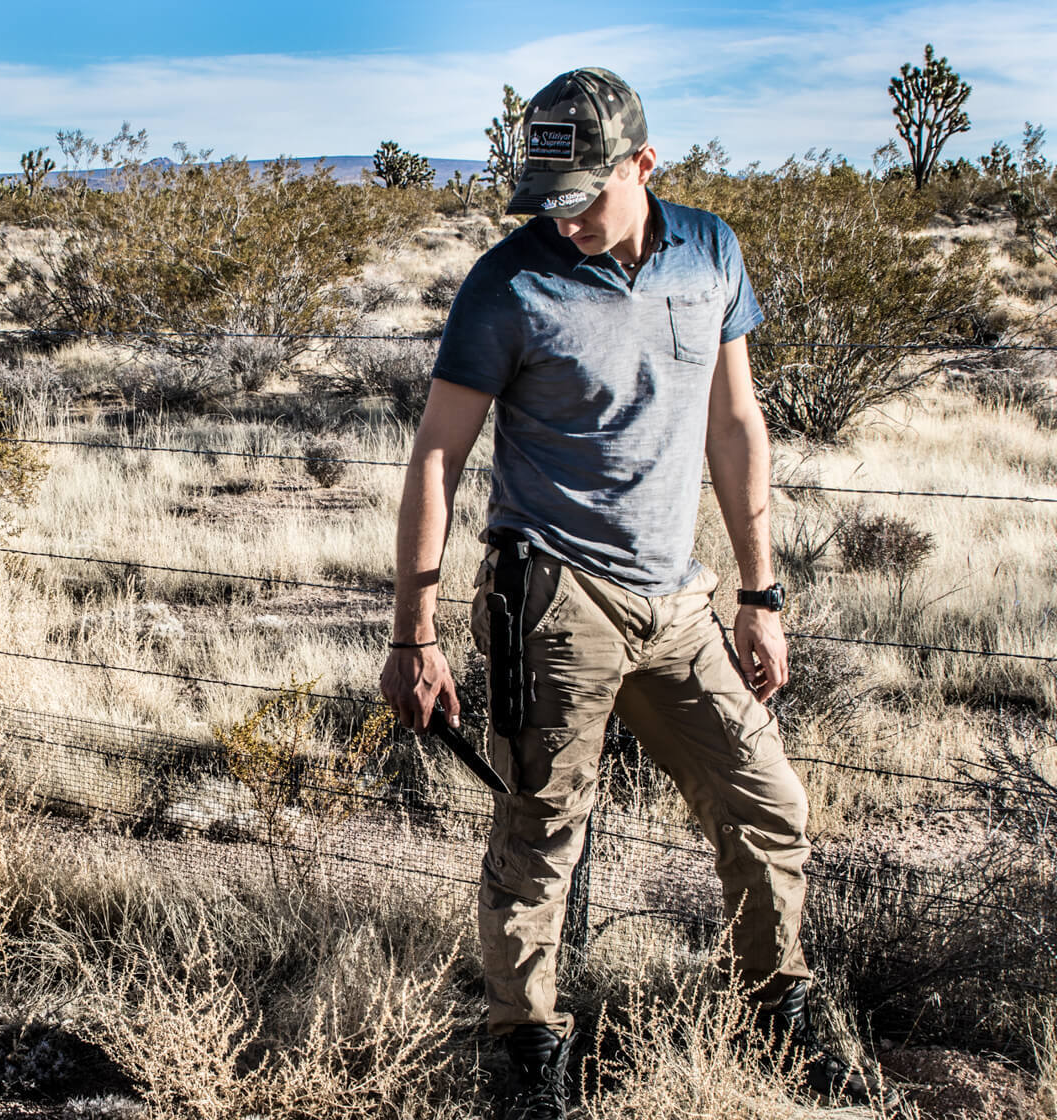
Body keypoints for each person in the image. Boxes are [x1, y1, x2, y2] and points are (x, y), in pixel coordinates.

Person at [379, 68, 896, 1120]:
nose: (561, 219)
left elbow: (735, 426)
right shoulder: (507, 284)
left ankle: (778, 1013)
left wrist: (760, 593)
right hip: (554, 594)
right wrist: (413, 633)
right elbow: (437, 454)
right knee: (541, 830)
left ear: (643, 165)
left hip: (680, 600)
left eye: (580, 196)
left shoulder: (710, 252)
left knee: (768, 804)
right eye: (544, 200)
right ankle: (526, 1054)